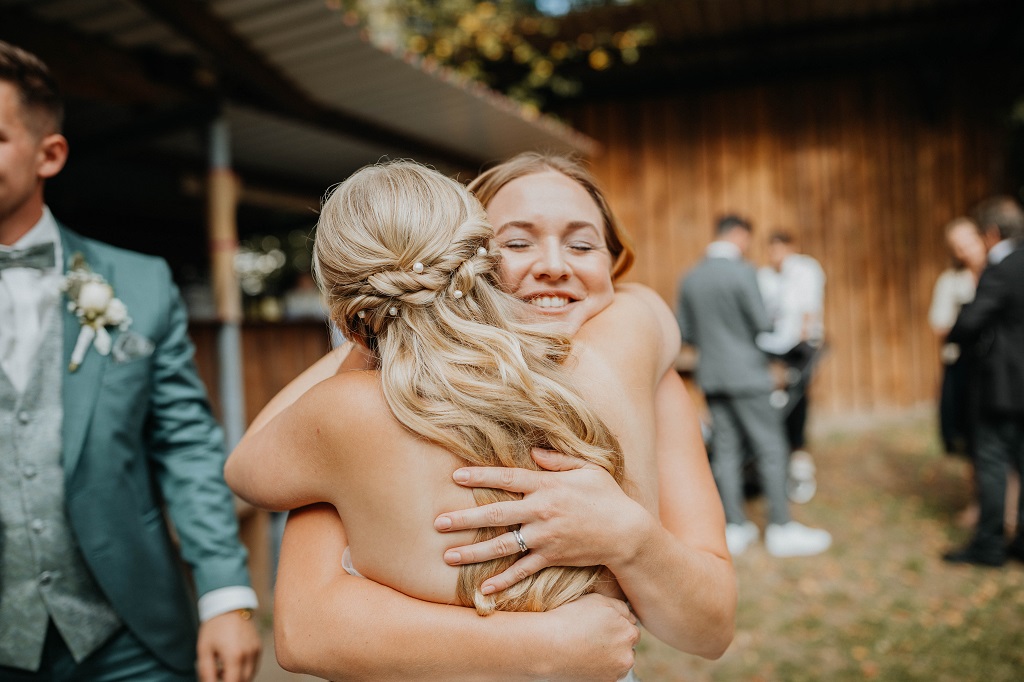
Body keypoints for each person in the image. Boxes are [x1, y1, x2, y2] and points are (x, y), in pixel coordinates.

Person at [227, 153, 735, 679]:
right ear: (462, 262)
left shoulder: (635, 363)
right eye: (516, 243)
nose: (556, 265)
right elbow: (306, 629)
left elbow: (711, 628)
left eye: (584, 245)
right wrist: (540, 647)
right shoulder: (365, 406)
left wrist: (632, 537)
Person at [0, 41, 261, 680]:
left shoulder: (140, 285)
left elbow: (186, 444)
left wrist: (225, 595)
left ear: (49, 155)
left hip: (129, 637)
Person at [677, 214, 831, 558]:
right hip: (747, 374)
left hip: (713, 376)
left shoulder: (690, 277)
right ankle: (780, 527)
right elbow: (761, 322)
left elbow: (685, 332)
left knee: (727, 451)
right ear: (738, 236)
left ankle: (735, 526)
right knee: (771, 447)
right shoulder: (744, 272)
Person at [943, 195, 1024, 567]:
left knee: (991, 461)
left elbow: (972, 321)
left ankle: (988, 546)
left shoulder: (1002, 264)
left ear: (991, 233)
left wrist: (955, 334)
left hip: (1003, 386)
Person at [756, 230, 826, 504]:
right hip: (773, 347)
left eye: (780, 250)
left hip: (798, 347)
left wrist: (805, 342)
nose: (776, 256)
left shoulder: (805, 270)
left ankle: (798, 459)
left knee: (797, 403)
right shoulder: (765, 276)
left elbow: (809, 308)